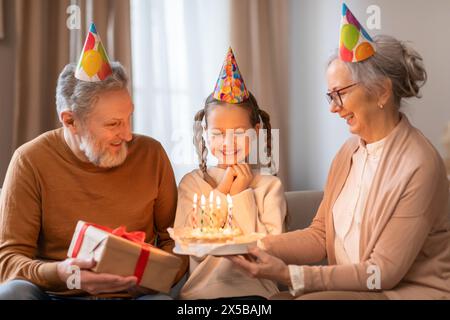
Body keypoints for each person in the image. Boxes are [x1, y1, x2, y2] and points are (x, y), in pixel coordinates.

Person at [228, 5, 450, 300]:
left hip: (401, 293)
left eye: (340, 94)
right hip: (353, 289)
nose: (333, 108)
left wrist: (289, 274)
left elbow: (382, 271)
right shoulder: (348, 153)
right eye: (330, 96)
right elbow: (320, 235)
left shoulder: (420, 164)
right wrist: (254, 244)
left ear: (382, 91)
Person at [0, 23, 187, 300]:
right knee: (13, 293)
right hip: (56, 294)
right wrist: (65, 273)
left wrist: (151, 278)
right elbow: (9, 261)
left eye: (128, 118)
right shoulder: (30, 161)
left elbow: (176, 240)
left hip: (135, 295)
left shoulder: (151, 154)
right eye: (113, 124)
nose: (127, 134)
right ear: (71, 121)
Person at [174, 48, 287, 299]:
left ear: (255, 131)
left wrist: (241, 195)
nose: (227, 142)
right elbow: (194, 248)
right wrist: (226, 189)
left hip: (258, 292)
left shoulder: (270, 187)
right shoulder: (191, 184)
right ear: (205, 132)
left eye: (238, 132)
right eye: (217, 133)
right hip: (201, 294)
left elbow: (264, 253)